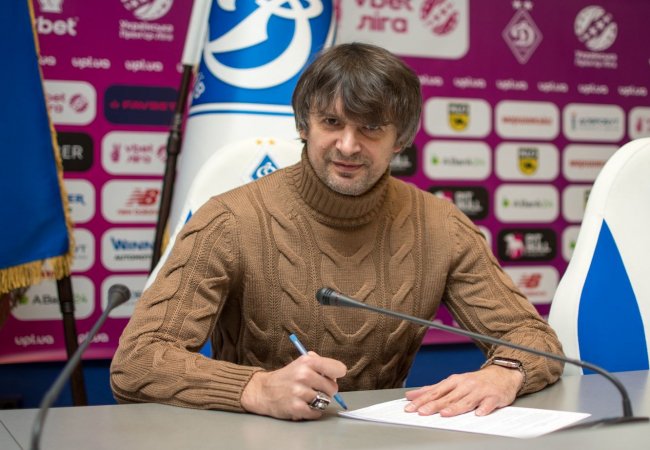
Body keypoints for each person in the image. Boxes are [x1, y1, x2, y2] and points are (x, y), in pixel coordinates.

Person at [110, 42, 563, 421]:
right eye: (331, 122)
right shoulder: (228, 219)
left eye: (370, 129)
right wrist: (256, 388)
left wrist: (506, 371)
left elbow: (534, 338)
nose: (348, 145)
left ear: (401, 139)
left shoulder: (442, 226)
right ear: (303, 124)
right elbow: (137, 361)